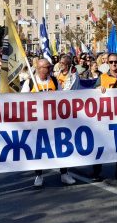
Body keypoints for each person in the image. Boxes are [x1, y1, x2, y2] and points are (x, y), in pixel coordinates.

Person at [21, 59, 76, 187]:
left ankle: (64, 174)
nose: (49, 69)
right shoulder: (29, 83)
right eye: (47, 67)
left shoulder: (55, 81)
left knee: (61, 146)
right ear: (39, 68)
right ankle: (39, 175)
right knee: (39, 149)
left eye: (49, 67)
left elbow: (62, 98)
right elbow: (21, 102)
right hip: (37, 123)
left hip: (54, 121)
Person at [92, 53, 117, 182]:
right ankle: (96, 172)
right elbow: (91, 95)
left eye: (116, 62)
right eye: (111, 62)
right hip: (105, 118)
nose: (114, 64)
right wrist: (98, 89)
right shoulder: (102, 78)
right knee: (101, 145)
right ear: (107, 63)